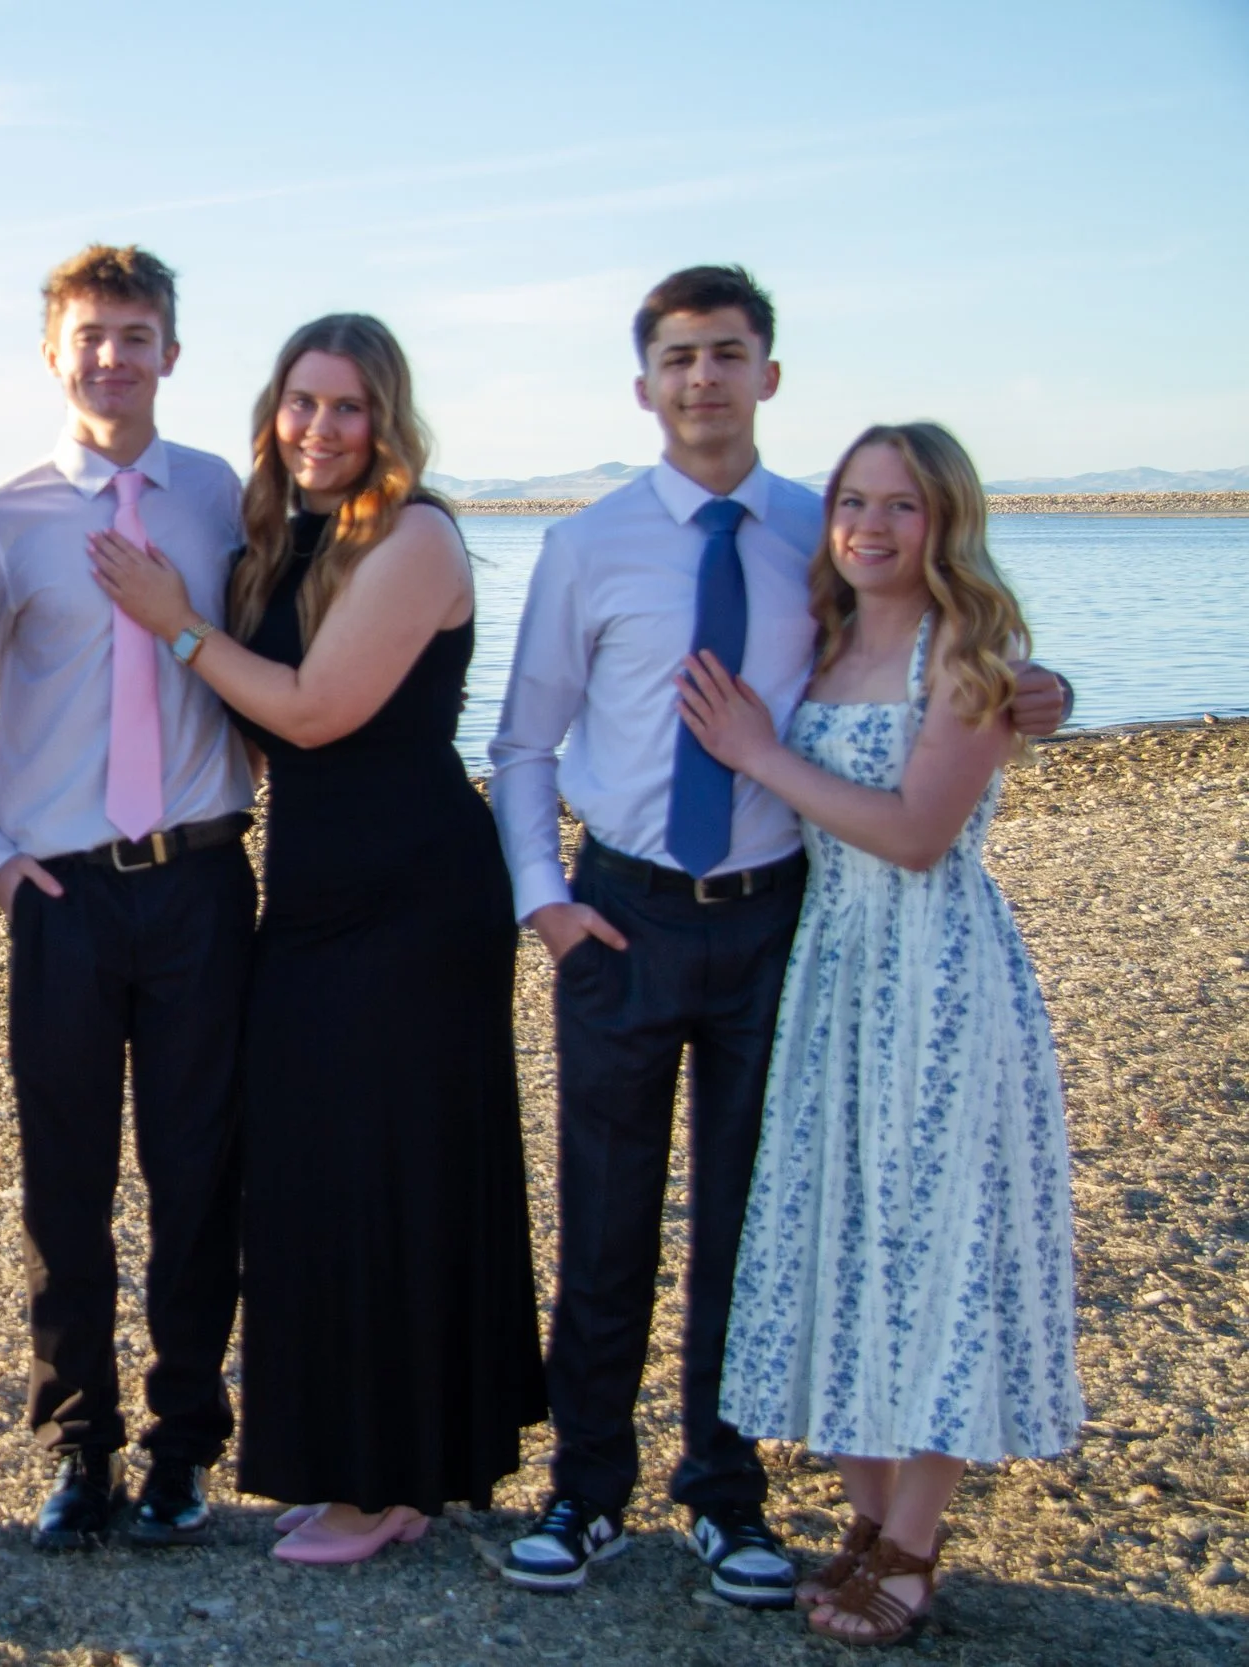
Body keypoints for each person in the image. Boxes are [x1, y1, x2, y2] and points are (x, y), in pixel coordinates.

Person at [488, 266, 1071, 1605]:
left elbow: (944, 643)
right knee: (607, 1220)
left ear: (769, 375)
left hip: (780, 927)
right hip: (619, 912)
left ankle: (725, 1494)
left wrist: (1038, 685)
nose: (704, 377)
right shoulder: (588, 546)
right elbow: (522, 740)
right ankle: (584, 1489)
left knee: (758, 1225)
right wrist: (545, 898)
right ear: (643, 385)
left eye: (729, 353)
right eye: (679, 357)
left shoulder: (825, 531)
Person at [91, 314, 547, 1564]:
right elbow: (248, 731)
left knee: (385, 1178)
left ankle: (388, 1477)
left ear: (385, 419)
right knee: (313, 1179)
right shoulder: (292, 535)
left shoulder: (414, 537)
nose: (319, 429)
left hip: (411, 900)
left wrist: (172, 621)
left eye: (346, 408)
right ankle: (369, 1454)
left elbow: (308, 709)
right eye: (300, 403)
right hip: (307, 897)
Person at [683, 423, 1081, 1645]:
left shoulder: (967, 648)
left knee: (937, 1242)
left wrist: (757, 750)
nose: (870, 524)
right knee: (842, 1238)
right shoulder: (834, 635)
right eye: (852, 500)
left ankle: (911, 1543)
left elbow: (916, 831)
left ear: (943, 519)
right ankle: (863, 1523)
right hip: (834, 975)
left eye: (900, 506)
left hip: (939, 980)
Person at [0, 245, 254, 1550]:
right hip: (60, 892)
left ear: (173, 351)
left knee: (196, 1174)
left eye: (136, 333)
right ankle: (79, 1443)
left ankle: (182, 1446)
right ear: (51, 352)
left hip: (200, 881)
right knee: (63, 1181)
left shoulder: (226, 499)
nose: (112, 355)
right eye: (90, 335)